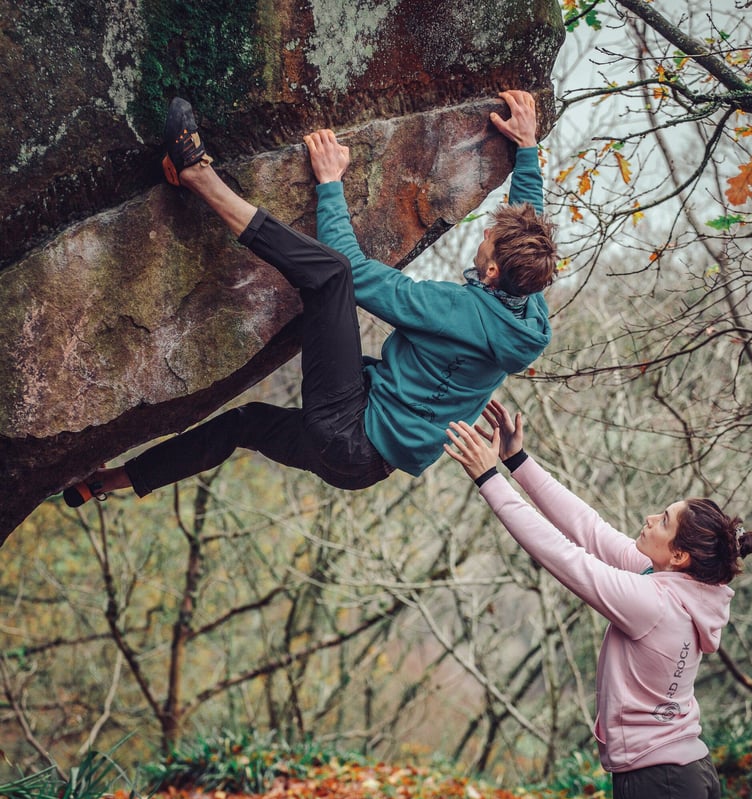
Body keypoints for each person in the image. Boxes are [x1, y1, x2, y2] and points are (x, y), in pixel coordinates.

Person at [63, 90, 557, 507]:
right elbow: (526, 227)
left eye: (490, 238)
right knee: (243, 425)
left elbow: (350, 270)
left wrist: (330, 183)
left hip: (350, 429)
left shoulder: (456, 311)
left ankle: (198, 177)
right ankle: (102, 483)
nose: (485, 233)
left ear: (492, 271)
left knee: (332, 276)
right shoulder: (528, 314)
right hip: (363, 467)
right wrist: (526, 147)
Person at [444, 399, 752, 799]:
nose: (650, 519)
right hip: (684, 771)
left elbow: (563, 556)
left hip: (660, 780)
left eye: (663, 521)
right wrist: (517, 460)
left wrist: (489, 478)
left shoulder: (653, 603)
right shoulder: (680, 585)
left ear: (680, 555)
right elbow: (588, 528)